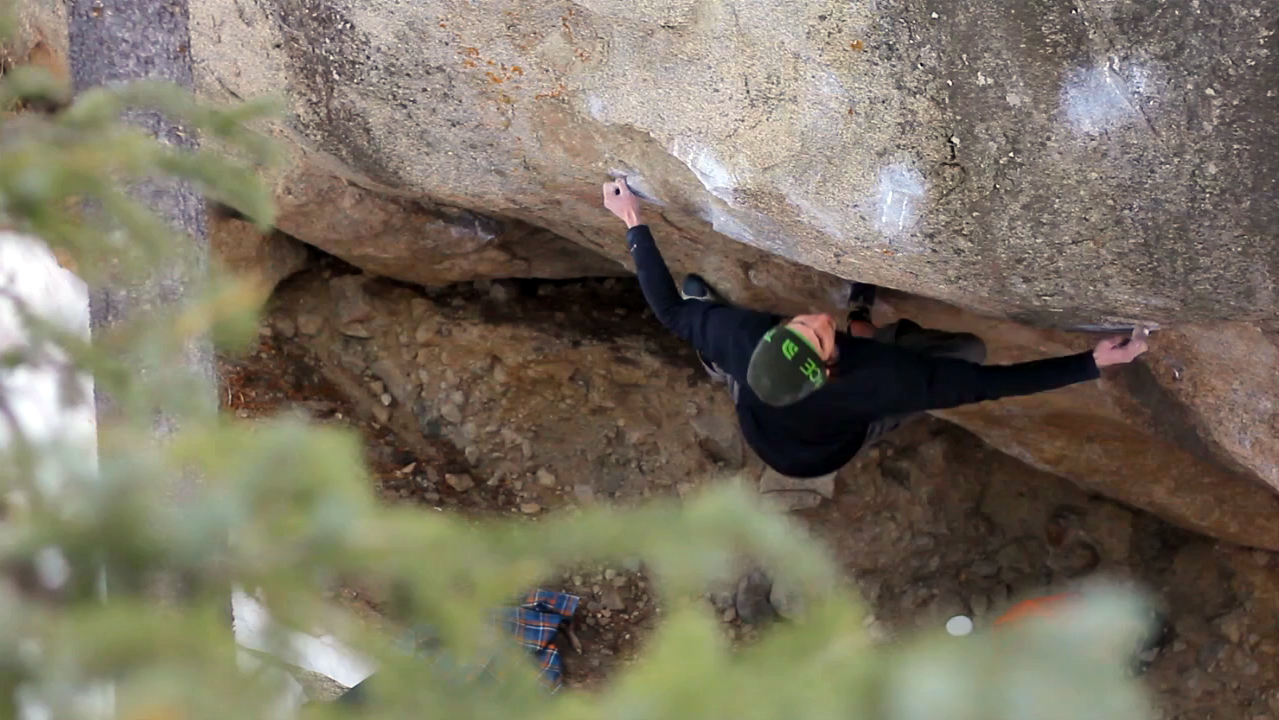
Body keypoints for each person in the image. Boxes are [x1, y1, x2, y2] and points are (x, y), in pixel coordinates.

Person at [603, 178, 1149, 488]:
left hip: (760, 409)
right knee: (969, 351)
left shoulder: (748, 341)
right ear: (829, 366)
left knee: (728, 355)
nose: (816, 318)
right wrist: (1092, 362)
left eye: (794, 327)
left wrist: (633, 221)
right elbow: (989, 384)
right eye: (821, 337)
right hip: (817, 451)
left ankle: (719, 364)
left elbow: (671, 312)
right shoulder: (890, 383)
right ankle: (853, 327)